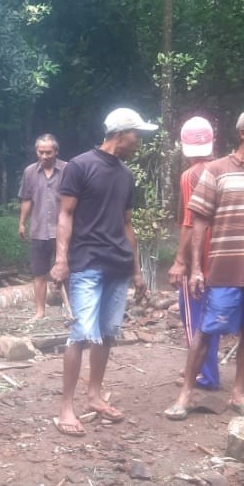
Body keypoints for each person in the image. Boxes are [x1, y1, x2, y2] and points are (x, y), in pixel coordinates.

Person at [164, 109, 244, 420]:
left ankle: (238, 394)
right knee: (207, 330)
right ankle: (185, 396)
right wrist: (195, 267)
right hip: (223, 268)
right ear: (243, 134)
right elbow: (199, 221)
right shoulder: (217, 171)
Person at [49, 108, 158, 437]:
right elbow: (65, 216)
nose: (139, 142)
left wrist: (137, 271)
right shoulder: (80, 166)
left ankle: (94, 396)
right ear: (120, 134)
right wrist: (61, 260)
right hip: (87, 262)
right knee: (81, 334)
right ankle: (66, 407)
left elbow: (127, 224)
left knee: (107, 333)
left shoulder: (126, 175)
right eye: (136, 135)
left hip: (118, 264)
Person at [168, 116, 224, 394]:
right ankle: (204, 368)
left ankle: (205, 374)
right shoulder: (223, 169)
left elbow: (191, 222)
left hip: (199, 260)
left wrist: (181, 262)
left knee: (194, 319)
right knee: (211, 318)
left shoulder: (192, 175)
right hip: (222, 258)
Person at [17, 134, 68, 320]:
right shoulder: (30, 172)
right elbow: (26, 199)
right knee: (39, 272)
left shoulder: (68, 170)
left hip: (63, 230)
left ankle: (70, 310)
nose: (44, 156)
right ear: (36, 151)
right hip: (39, 230)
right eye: (41, 152)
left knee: (67, 271)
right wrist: (22, 222)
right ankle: (40, 312)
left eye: (48, 152)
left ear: (56, 151)